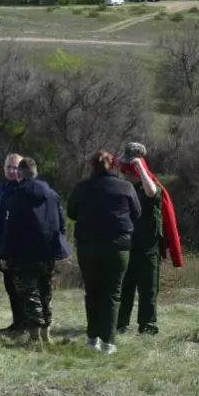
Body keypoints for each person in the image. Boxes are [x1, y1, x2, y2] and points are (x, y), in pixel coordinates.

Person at [67, 150, 140, 355]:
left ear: (92, 166)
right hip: (117, 247)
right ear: (115, 166)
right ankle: (109, 341)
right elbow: (137, 212)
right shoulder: (125, 187)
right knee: (112, 294)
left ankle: (93, 338)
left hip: (88, 246)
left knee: (92, 292)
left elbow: (71, 212)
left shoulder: (83, 188)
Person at [0, 157, 71, 344]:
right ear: (36, 172)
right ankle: (46, 334)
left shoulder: (18, 194)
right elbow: (62, 224)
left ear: (20, 174)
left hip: (24, 253)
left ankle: (34, 337)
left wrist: (5, 254)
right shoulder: (53, 195)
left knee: (28, 294)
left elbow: (12, 227)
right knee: (45, 292)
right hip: (48, 253)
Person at [115, 142, 182, 336]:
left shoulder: (151, 187)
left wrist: (140, 167)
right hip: (127, 245)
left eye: (131, 171)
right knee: (124, 289)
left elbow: (151, 192)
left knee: (148, 290)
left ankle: (147, 326)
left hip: (147, 248)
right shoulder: (125, 188)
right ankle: (120, 323)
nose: (127, 175)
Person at [0, 153, 24, 332]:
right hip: (1, 243)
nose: (12, 171)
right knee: (10, 286)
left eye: (16, 167)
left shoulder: (24, 189)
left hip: (19, 248)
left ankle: (26, 324)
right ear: (4, 168)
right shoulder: (0, 188)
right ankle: (18, 322)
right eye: (9, 167)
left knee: (21, 287)